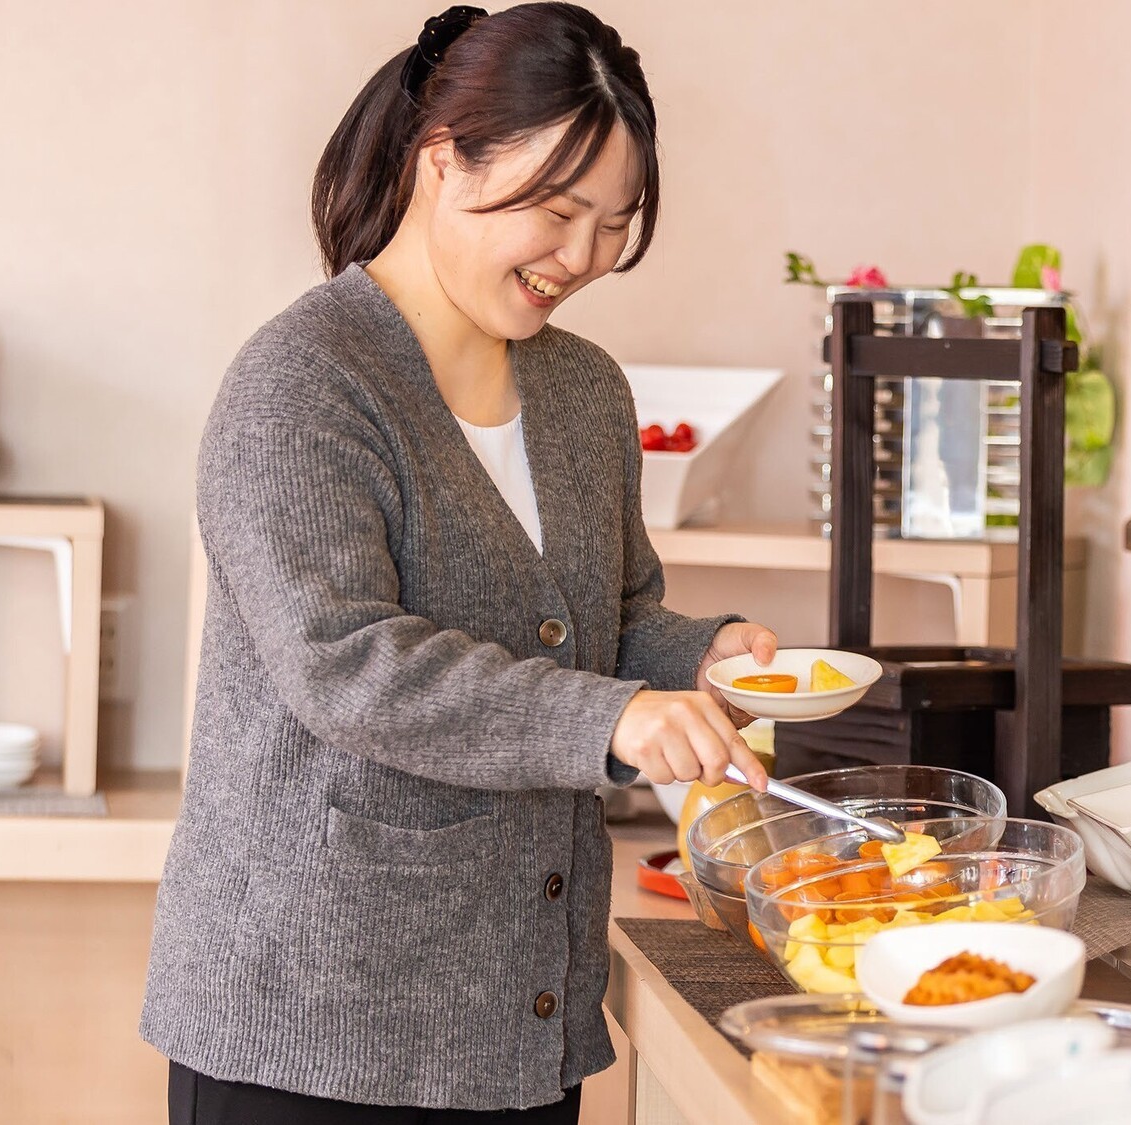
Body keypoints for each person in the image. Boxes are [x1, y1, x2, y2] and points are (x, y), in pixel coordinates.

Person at [141, 5, 773, 1121]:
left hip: (519, 1025)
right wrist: (609, 722)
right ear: (441, 159)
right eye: (557, 209)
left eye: (613, 224)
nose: (581, 259)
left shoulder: (583, 394)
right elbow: (346, 662)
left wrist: (703, 660)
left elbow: (605, 623)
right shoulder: (303, 382)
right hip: (309, 1030)